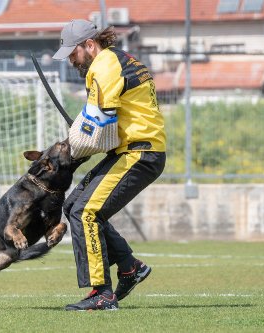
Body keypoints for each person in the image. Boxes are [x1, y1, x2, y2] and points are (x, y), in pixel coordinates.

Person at [52, 19, 166, 311]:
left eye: (73, 53)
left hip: (140, 154)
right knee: (73, 205)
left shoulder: (103, 67)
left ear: (90, 45)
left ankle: (102, 294)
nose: (72, 61)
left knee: (84, 212)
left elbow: (100, 124)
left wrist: (74, 148)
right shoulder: (117, 60)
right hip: (131, 150)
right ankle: (129, 267)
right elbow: (104, 125)